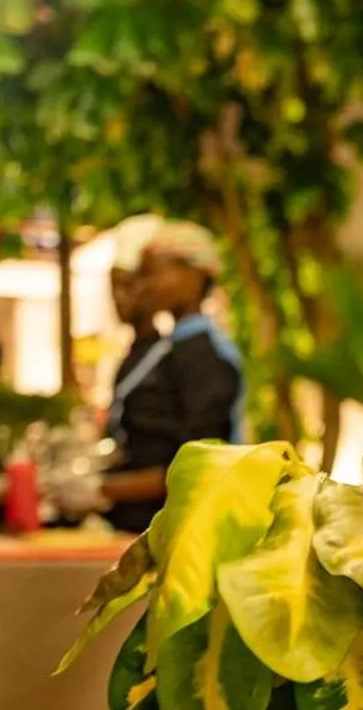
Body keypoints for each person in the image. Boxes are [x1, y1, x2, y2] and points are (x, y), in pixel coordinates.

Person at [62, 220, 245, 532]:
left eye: (154, 273)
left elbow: (196, 465)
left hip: (189, 530)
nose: (146, 286)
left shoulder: (209, 356)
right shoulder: (169, 348)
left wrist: (102, 490)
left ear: (196, 274)